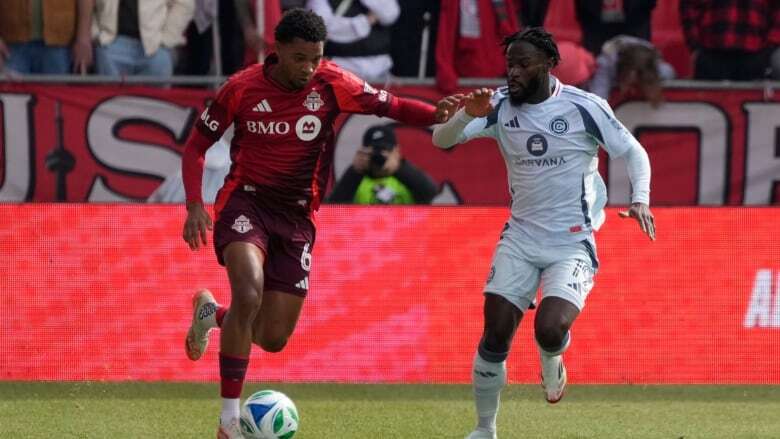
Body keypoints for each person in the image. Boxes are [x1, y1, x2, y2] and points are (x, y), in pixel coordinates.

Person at [180, 8, 453, 438]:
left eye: (316, 57)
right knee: (249, 292)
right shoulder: (241, 88)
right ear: (278, 50)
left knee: (272, 337)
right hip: (245, 204)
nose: (308, 68)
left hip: (296, 218)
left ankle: (214, 316)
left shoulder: (333, 83)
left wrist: (439, 113)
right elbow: (196, 147)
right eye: (300, 58)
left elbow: (392, 105)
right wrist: (195, 203)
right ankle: (229, 420)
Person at [432, 27, 655, 439]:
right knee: (495, 333)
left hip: (572, 241)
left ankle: (553, 361)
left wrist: (639, 198)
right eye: (509, 64)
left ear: (549, 65)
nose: (512, 72)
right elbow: (442, 141)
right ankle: (485, 429)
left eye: (523, 64)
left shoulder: (584, 106)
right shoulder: (496, 106)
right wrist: (464, 114)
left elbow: (632, 151)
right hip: (519, 238)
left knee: (549, 329)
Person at [328, 124, 438, 204]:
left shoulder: (408, 179)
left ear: (397, 151)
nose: (379, 155)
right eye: (374, 150)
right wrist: (354, 171)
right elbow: (334, 208)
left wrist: (399, 168)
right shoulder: (356, 180)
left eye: (385, 150)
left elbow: (430, 192)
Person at [680, 0, 779, 81]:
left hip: (756, 54)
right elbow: (688, 7)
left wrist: (769, 48)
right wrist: (695, 46)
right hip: (710, 54)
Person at [93, 0, 194, 77]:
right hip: (109, 45)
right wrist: (96, 34)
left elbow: (184, 3)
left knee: (156, 102)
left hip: (154, 47)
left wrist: (166, 39)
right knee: (107, 101)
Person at [306, 0, 400, 83]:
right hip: (340, 70)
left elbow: (390, 14)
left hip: (380, 70)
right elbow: (326, 28)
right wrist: (366, 21)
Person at [0, 0, 93, 75]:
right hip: (11, 45)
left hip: (58, 43)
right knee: (10, 96)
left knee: (56, 96)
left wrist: (83, 38)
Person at [587, 35, 675, 106]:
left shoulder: (659, 68)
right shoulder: (604, 65)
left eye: (637, 83)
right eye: (630, 84)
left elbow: (669, 72)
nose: (633, 91)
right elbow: (597, 103)